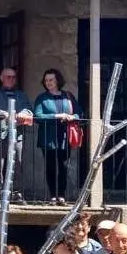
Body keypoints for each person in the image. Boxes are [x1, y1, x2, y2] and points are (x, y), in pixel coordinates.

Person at [0, 68, 33, 204]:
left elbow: (29, 109)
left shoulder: (22, 95)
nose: (11, 79)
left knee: (18, 164)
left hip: (17, 134)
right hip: (0, 133)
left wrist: (24, 113)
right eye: (8, 77)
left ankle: (16, 193)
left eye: (13, 77)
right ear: (1, 77)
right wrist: (4, 113)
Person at [33, 69, 81, 204]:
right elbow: (37, 116)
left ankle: (62, 195)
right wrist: (56, 116)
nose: (48, 83)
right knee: (51, 166)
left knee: (63, 166)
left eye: (51, 80)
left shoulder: (68, 96)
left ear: (57, 81)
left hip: (65, 137)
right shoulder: (42, 98)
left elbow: (79, 113)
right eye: (46, 80)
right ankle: (53, 195)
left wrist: (72, 117)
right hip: (48, 138)